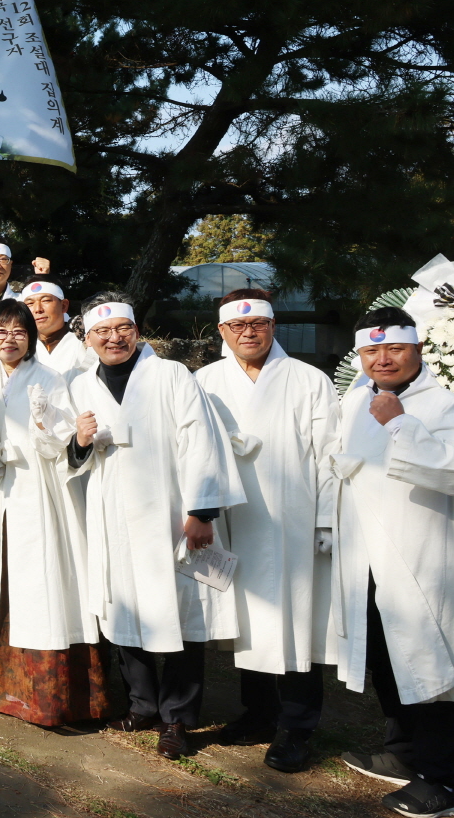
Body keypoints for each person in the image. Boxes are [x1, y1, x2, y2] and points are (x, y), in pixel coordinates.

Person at [67, 293, 243, 760]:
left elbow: (199, 439)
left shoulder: (171, 375)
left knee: (183, 615)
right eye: (102, 332)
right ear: (88, 339)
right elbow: (77, 457)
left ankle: (178, 718)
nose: (113, 338)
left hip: (169, 512)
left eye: (122, 328)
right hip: (115, 515)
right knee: (125, 607)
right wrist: (79, 442)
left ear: (137, 332)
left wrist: (202, 512)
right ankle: (143, 704)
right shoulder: (83, 385)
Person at [194, 291, 338, 773]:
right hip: (234, 518)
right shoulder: (206, 381)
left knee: (297, 620)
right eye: (238, 326)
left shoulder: (308, 380)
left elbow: (329, 457)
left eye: (258, 323)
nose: (249, 332)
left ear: (274, 327)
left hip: (293, 520)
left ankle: (297, 726)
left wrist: (326, 520)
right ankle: (259, 713)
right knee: (246, 619)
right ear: (221, 332)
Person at [332, 307, 454, 817]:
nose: (382, 359)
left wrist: (401, 424)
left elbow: (448, 470)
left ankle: (443, 780)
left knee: (431, 662)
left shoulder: (442, 403)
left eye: (394, 348)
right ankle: (402, 750)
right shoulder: (356, 399)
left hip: (421, 554)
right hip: (366, 553)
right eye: (371, 350)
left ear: (418, 349)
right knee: (384, 655)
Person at [0, 299, 112, 726]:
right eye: (1, 331)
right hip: (6, 489)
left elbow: (72, 442)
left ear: (31, 338)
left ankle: (54, 698)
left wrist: (45, 430)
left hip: (43, 491)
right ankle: (8, 689)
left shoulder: (49, 379)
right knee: (10, 583)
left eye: (19, 331)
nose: (10, 339)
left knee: (46, 581)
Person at [21, 280, 92, 377]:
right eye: (30, 303)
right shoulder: (22, 344)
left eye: (45, 300)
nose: (38, 309)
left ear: (64, 306)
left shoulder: (84, 340)